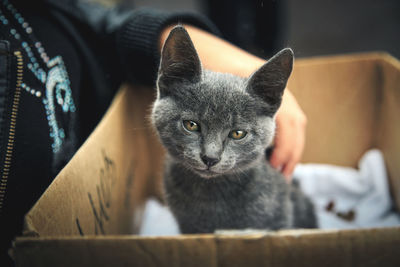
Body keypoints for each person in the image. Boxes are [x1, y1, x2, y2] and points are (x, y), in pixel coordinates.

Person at [0, 0, 306, 265]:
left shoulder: (29, 13)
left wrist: (160, 36)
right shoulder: (173, 180)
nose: (211, 154)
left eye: (236, 134)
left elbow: (89, 20)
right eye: (192, 125)